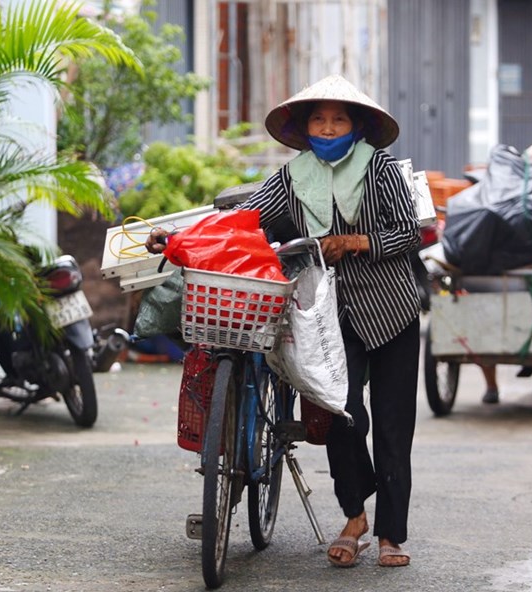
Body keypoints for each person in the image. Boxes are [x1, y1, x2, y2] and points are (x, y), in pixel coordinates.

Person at [148, 74, 421, 568]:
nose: (328, 126)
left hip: (392, 310)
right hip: (331, 315)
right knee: (341, 414)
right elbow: (244, 219)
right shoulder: (292, 178)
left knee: (394, 425)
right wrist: (175, 236)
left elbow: (409, 233)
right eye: (319, 118)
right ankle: (356, 517)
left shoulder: (379, 170)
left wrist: (355, 242)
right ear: (305, 126)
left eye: (339, 118)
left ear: (357, 126)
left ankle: (391, 535)